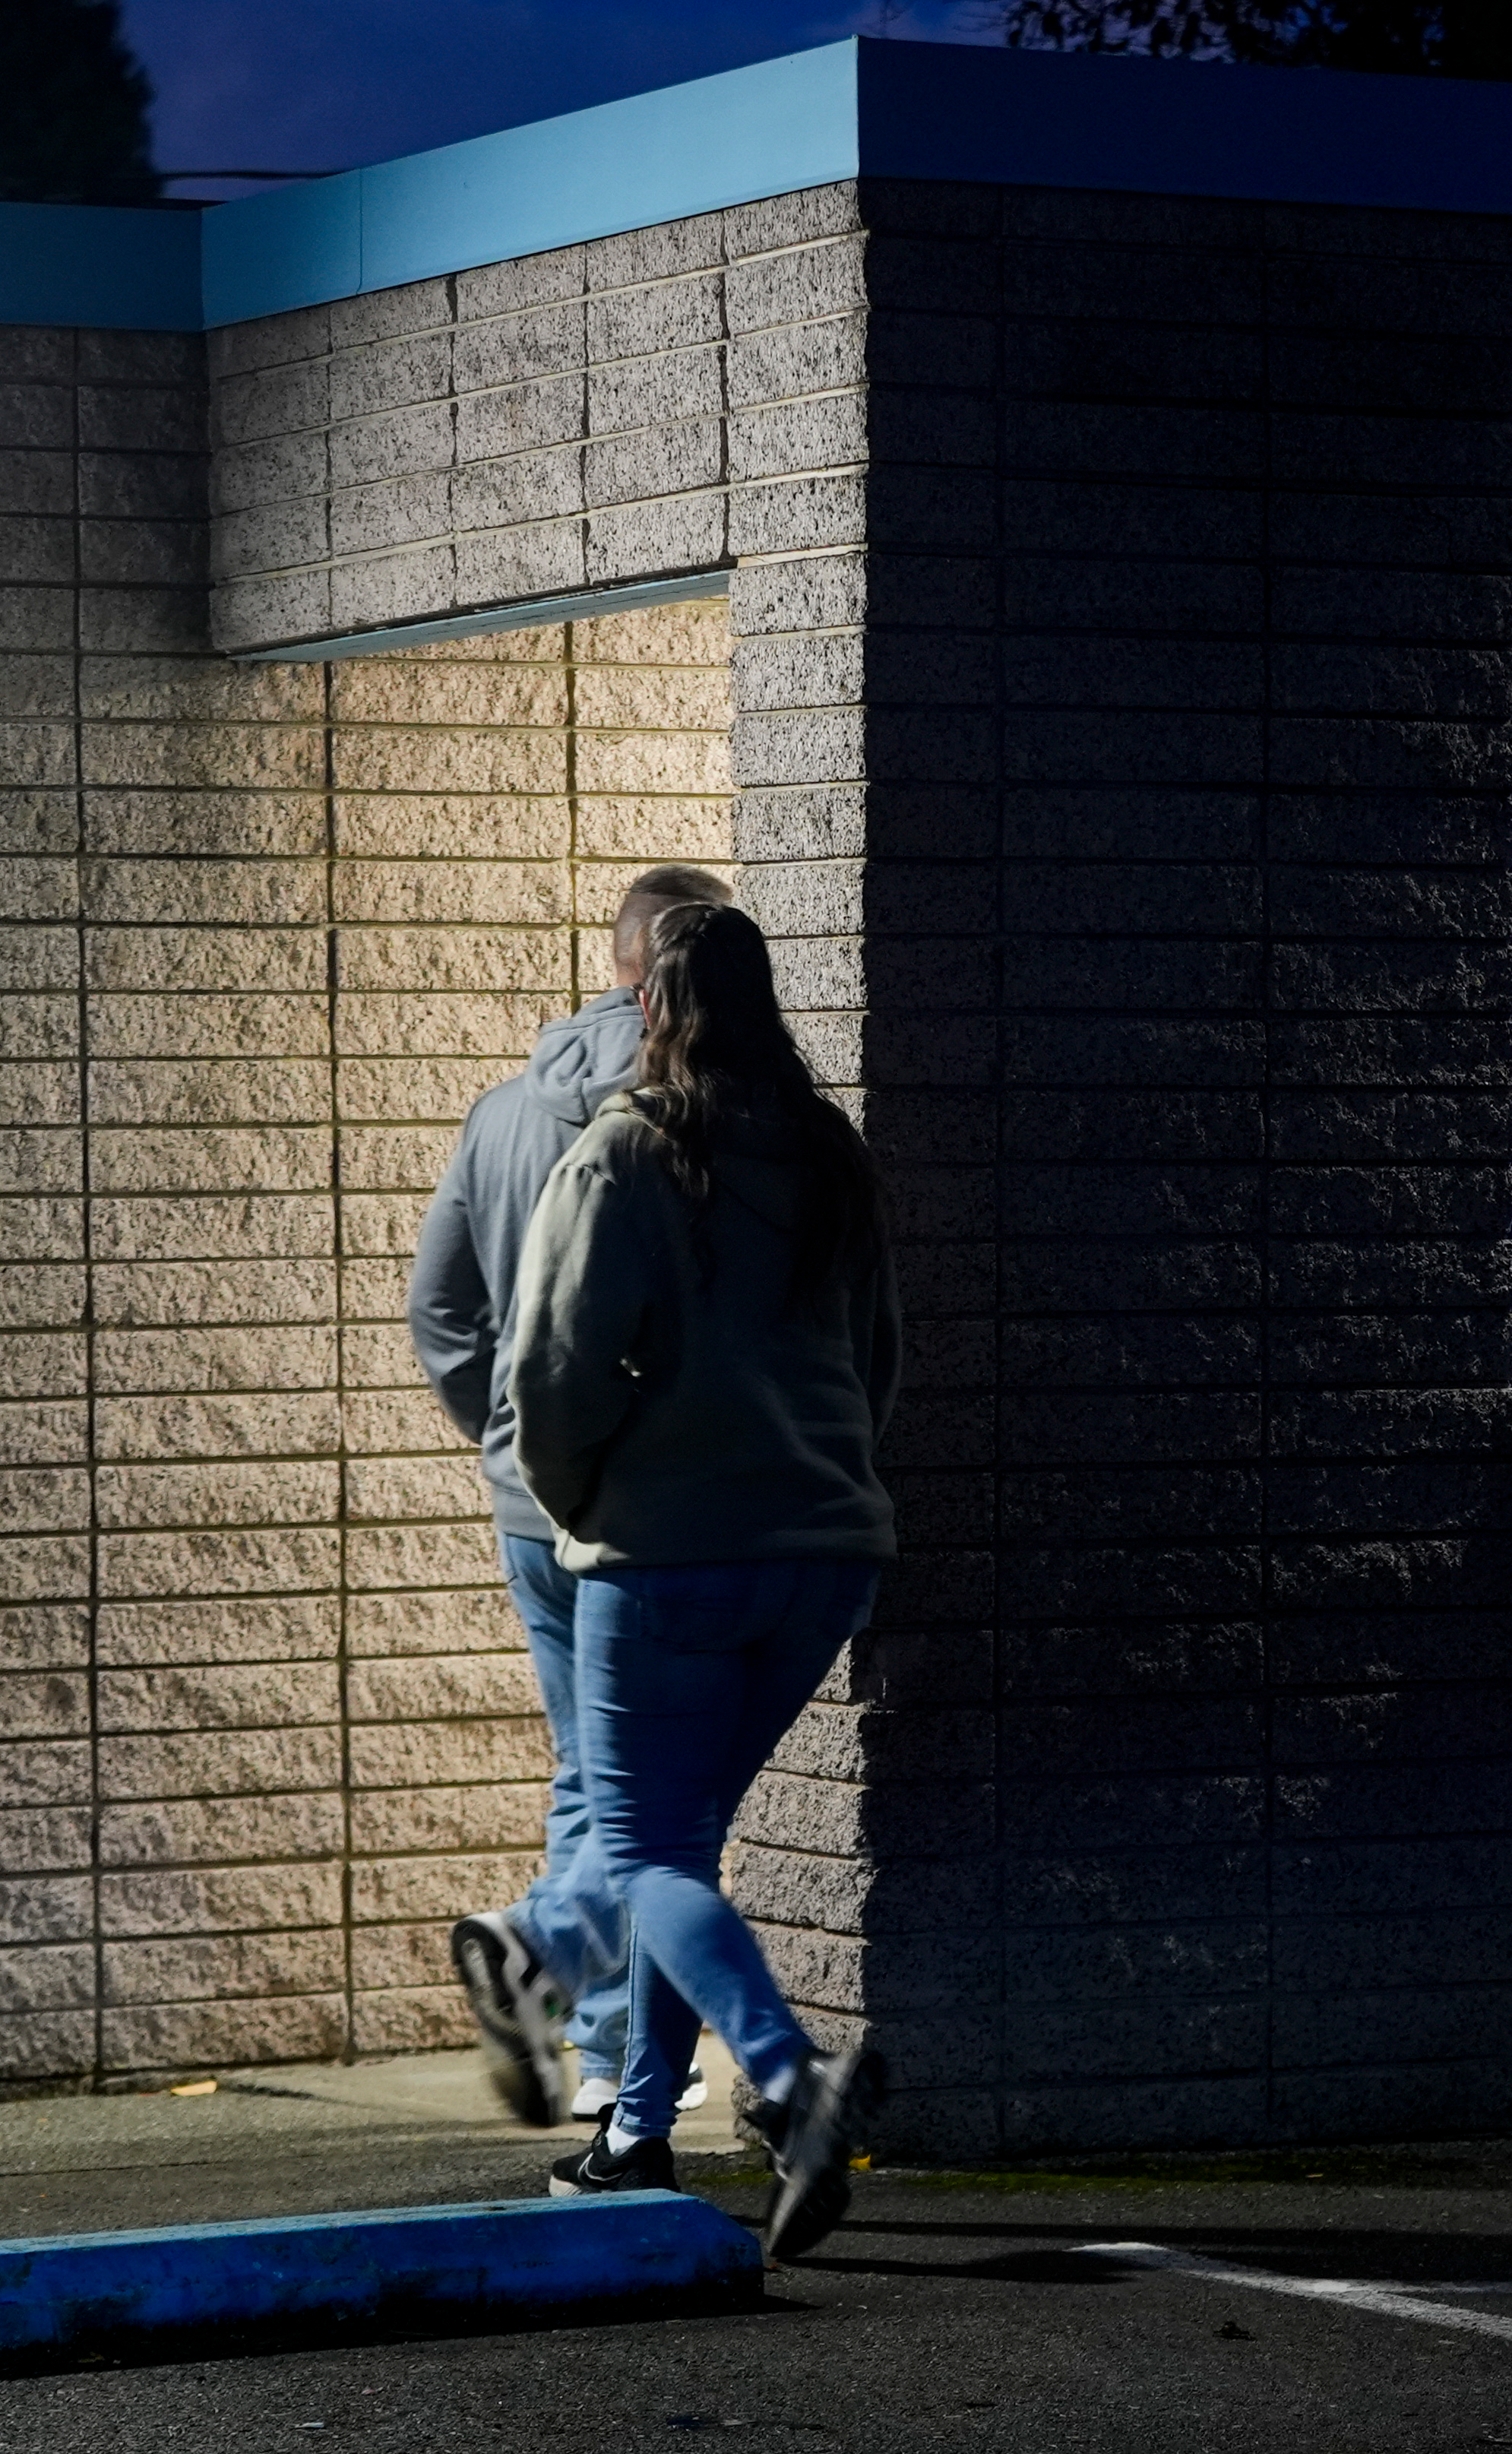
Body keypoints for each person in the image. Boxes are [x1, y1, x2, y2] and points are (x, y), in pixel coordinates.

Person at [507, 899, 900, 2258]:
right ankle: (635, 2136)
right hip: (823, 1556)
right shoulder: (830, 1152)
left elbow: (550, 1373)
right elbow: (878, 1357)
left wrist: (586, 1506)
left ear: (652, 1004)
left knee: (647, 1847)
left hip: (665, 1558)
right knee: (685, 1850)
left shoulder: (630, 1152)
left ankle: (790, 2087)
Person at [418, 863, 735, 2127]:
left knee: (592, 1772)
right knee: (661, 1787)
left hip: (528, 1504)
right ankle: (573, 1997)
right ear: (688, 975)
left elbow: (441, 1308)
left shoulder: (501, 1112)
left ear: (615, 963)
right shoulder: (698, 1114)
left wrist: (509, 1436)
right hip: (650, 1510)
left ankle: (601, 2048)